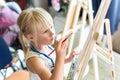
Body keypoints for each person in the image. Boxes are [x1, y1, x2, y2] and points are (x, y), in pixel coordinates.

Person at [17, 8, 78, 80]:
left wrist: (67, 59)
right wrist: (60, 57)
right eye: (45, 31)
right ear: (31, 37)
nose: (52, 33)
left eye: (51, 27)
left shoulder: (46, 46)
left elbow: (53, 64)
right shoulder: (34, 60)